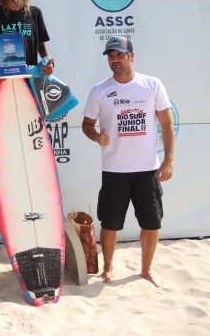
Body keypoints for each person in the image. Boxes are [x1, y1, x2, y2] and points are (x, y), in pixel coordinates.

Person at [82, 36, 175, 286]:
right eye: (111, 56)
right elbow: (87, 125)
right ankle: (108, 268)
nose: (115, 60)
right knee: (110, 223)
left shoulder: (152, 85)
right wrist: (95, 136)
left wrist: (168, 160)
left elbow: (166, 123)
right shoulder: (99, 91)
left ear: (132, 56)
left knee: (152, 222)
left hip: (148, 170)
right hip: (114, 170)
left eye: (120, 55)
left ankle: (146, 270)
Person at [0, 0, 55, 208]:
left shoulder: (35, 13)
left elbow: (43, 49)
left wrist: (48, 63)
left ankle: (29, 188)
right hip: (2, 87)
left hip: (30, 86)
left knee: (30, 137)